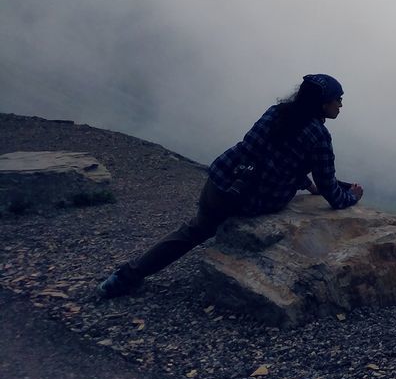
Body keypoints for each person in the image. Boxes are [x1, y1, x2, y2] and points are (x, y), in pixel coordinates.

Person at [95, 73, 364, 299]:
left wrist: (305, 183)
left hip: (221, 181)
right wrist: (350, 196)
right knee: (202, 230)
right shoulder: (319, 135)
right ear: (322, 104)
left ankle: (123, 277)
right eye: (337, 100)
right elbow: (330, 188)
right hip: (253, 201)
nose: (340, 105)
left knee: (193, 231)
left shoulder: (276, 113)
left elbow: (262, 153)